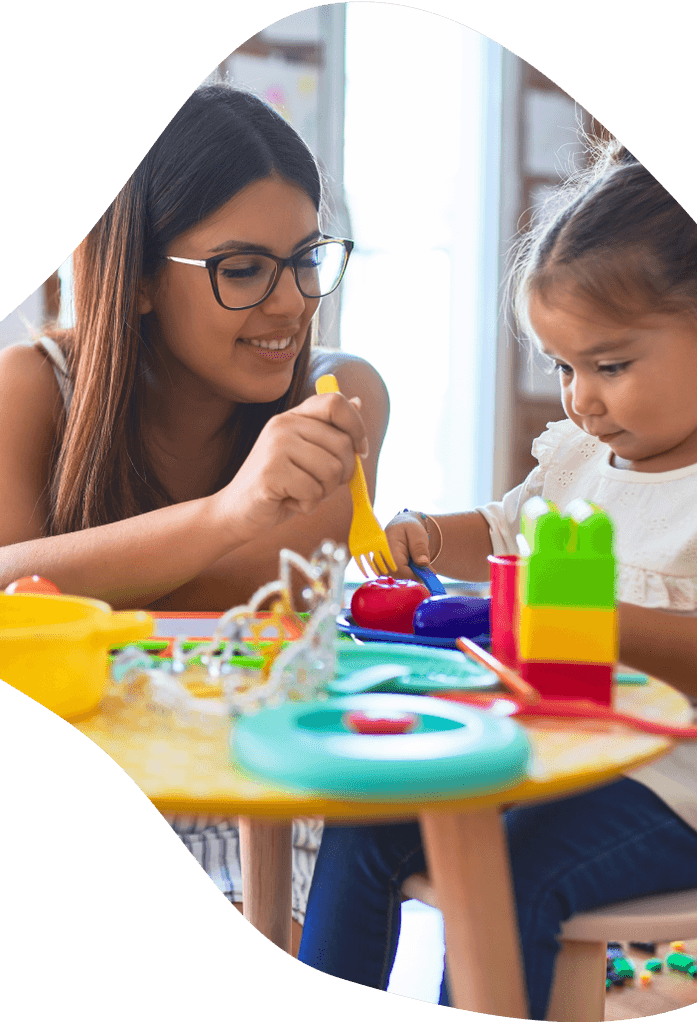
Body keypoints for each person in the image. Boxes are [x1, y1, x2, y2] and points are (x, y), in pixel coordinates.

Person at [0, 83, 389, 950]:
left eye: (306, 259)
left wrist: (72, 577)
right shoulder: (31, 385)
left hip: (258, 783)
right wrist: (230, 510)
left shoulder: (342, 398)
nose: (293, 302)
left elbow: (260, 597)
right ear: (138, 279)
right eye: (245, 269)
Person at [297, 139, 697, 1018]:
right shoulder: (583, 456)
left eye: (611, 366)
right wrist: (427, 535)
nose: (579, 400)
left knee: (517, 864)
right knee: (368, 812)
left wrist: (576, 618)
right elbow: (507, 526)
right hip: (564, 750)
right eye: (564, 367)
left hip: (678, 786)